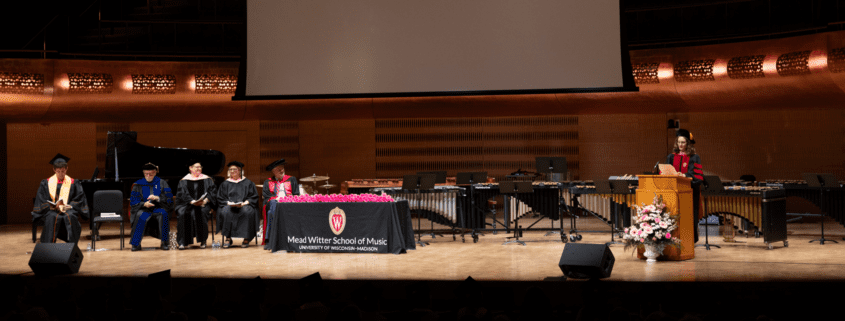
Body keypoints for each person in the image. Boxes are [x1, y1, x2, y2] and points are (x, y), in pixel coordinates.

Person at [31, 153, 89, 244]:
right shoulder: (46, 183)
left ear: (66, 169)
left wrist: (69, 205)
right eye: (58, 171)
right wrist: (53, 206)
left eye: (63, 171)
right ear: (54, 170)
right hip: (51, 210)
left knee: (70, 216)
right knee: (52, 216)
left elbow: (79, 199)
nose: (61, 174)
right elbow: (42, 199)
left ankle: (72, 246)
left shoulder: (74, 182)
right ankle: (49, 248)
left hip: (68, 209)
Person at [664, 129, 703, 243]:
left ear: (688, 144)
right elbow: (665, 173)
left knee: (689, 218)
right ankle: (673, 239)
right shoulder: (671, 157)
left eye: (683, 142)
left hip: (690, 194)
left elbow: (698, 176)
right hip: (673, 193)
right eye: (679, 142)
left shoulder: (694, 157)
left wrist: (684, 175)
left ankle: (689, 241)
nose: (680, 145)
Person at [129, 163, 173, 251]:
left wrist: (158, 198)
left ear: (155, 173)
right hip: (144, 209)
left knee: (163, 214)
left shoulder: (162, 183)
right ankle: (136, 243)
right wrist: (143, 204)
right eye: (146, 174)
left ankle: (165, 242)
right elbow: (133, 200)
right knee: (141, 215)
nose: (148, 176)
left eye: (151, 174)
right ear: (143, 173)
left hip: (158, 207)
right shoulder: (138, 184)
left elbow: (169, 198)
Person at [174, 159, 217, 250]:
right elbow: (181, 194)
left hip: (203, 204)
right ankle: (182, 242)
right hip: (186, 204)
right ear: (190, 168)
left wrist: (205, 201)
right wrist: (192, 201)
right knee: (183, 213)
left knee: (201, 212)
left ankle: (203, 241)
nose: (198, 169)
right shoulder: (183, 181)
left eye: (200, 167)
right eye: (196, 167)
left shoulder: (207, 179)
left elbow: (212, 193)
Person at [215, 161, 260, 248]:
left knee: (247, 211)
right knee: (225, 211)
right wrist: (228, 203)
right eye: (230, 169)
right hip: (229, 205)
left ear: (239, 171)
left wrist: (244, 203)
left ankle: (246, 238)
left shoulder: (248, 183)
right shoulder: (225, 184)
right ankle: (228, 238)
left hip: (244, 205)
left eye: (234, 169)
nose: (232, 171)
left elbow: (254, 197)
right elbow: (220, 197)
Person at [262, 158, 299, 247]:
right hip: (274, 203)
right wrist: (277, 199)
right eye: (279, 169)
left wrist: (287, 199)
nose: (282, 171)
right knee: (273, 206)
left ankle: (273, 240)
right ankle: (275, 239)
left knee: (271, 212)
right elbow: (267, 196)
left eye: (282, 168)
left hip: (288, 203)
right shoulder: (268, 182)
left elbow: (296, 194)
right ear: (273, 171)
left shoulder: (291, 179)